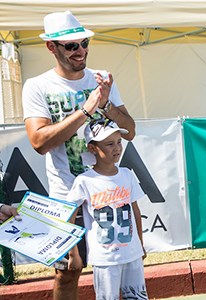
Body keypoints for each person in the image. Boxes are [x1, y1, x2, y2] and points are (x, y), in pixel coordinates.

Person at [22, 11, 136, 300]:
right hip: (66, 195)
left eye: (84, 43)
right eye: (71, 46)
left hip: (107, 192)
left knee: (120, 265)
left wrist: (106, 103)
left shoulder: (103, 79)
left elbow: (130, 130)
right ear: (52, 47)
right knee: (67, 271)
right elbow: (39, 141)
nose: (81, 51)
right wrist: (86, 110)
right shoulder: (37, 86)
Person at [67, 119, 147, 299]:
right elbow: (70, 216)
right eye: (109, 144)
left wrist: (140, 245)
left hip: (132, 254)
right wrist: (74, 253)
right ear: (93, 148)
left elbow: (135, 211)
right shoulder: (84, 181)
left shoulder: (127, 174)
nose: (117, 148)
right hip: (104, 258)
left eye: (119, 142)